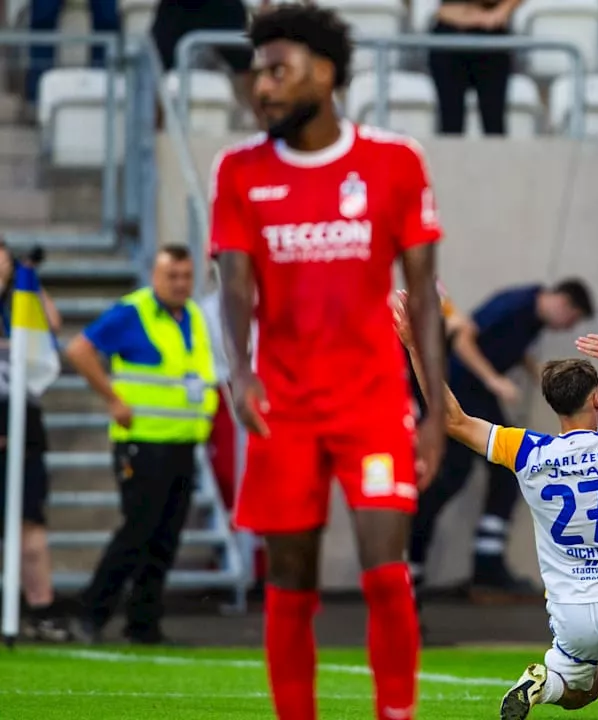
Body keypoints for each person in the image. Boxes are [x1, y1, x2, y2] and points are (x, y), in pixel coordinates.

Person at [210, 5, 449, 719]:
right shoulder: (240, 171)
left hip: (374, 404)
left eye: (278, 70)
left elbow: (425, 297)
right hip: (283, 405)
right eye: (257, 72)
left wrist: (435, 412)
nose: (262, 87)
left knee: (385, 573)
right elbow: (234, 285)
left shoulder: (394, 161)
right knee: (290, 582)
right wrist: (241, 372)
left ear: (326, 72)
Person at [396, 300, 598, 719]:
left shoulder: (527, 452)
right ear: (597, 400)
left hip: (572, 609)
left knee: (582, 690)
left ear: (553, 404)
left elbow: (452, 419)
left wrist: (416, 348)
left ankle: (544, 686)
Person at [63, 245, 219, 644]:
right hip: (143, 443)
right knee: (137, 532)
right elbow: (79, 349)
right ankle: (91, 614)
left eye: (186, 276)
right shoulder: (132, 312)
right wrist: (113, 398)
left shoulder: (195, 316)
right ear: (155, 275)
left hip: (182, 443)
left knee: (165, 537)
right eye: (173, 276)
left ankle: (144, 622)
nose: (181, 284)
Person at [409, 279, 594, 599]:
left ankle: (482, 563)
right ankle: (418, 563)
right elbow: (463, 336)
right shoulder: (516, 305)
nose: (566, 329)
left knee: (490, 474)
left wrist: (534, 369)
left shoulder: (531, 319)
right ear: (563, 303)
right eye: (571, 321)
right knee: (448, 479)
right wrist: (495, 381)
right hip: (465, 393)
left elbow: (506, 343)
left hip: (474, 395)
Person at [0, 241, 68, 642]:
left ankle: (41, 608)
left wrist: (30, 278)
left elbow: (53, 325)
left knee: (31, 522)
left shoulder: (21, 306)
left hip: (24, 422)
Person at [427, 0, 523, 135]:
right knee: (450, 122)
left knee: (494, 122)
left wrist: (502, 10)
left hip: (492, 38)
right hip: (449, 37)